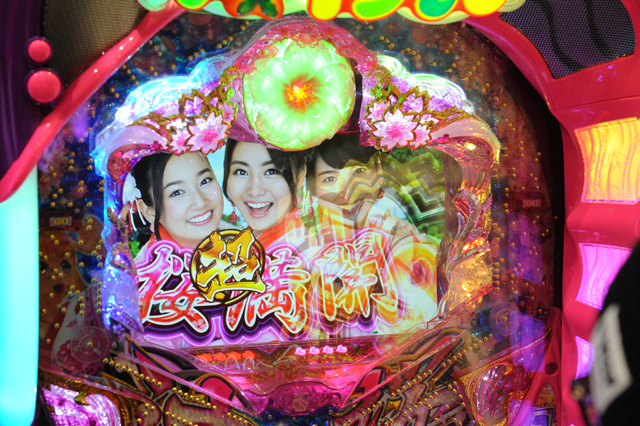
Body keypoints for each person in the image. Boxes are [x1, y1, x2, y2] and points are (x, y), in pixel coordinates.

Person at [306, 134, 438, 336]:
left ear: (378, 173)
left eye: (358, 172)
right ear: (312, 188)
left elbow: (426, 326)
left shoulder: (397, 240)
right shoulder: (298, 249)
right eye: (330, 179)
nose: (347, 192)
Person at [129, 151, 224, 259]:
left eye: (205, 181)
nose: (200, 203)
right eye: (177, 192)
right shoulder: (151, 268)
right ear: (150, 212)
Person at [222, 139, 311, 248]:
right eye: (241, 172)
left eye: (271, 171)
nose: (254, 192)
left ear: (300, 176)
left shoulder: (304, 254)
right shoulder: (247, 245)